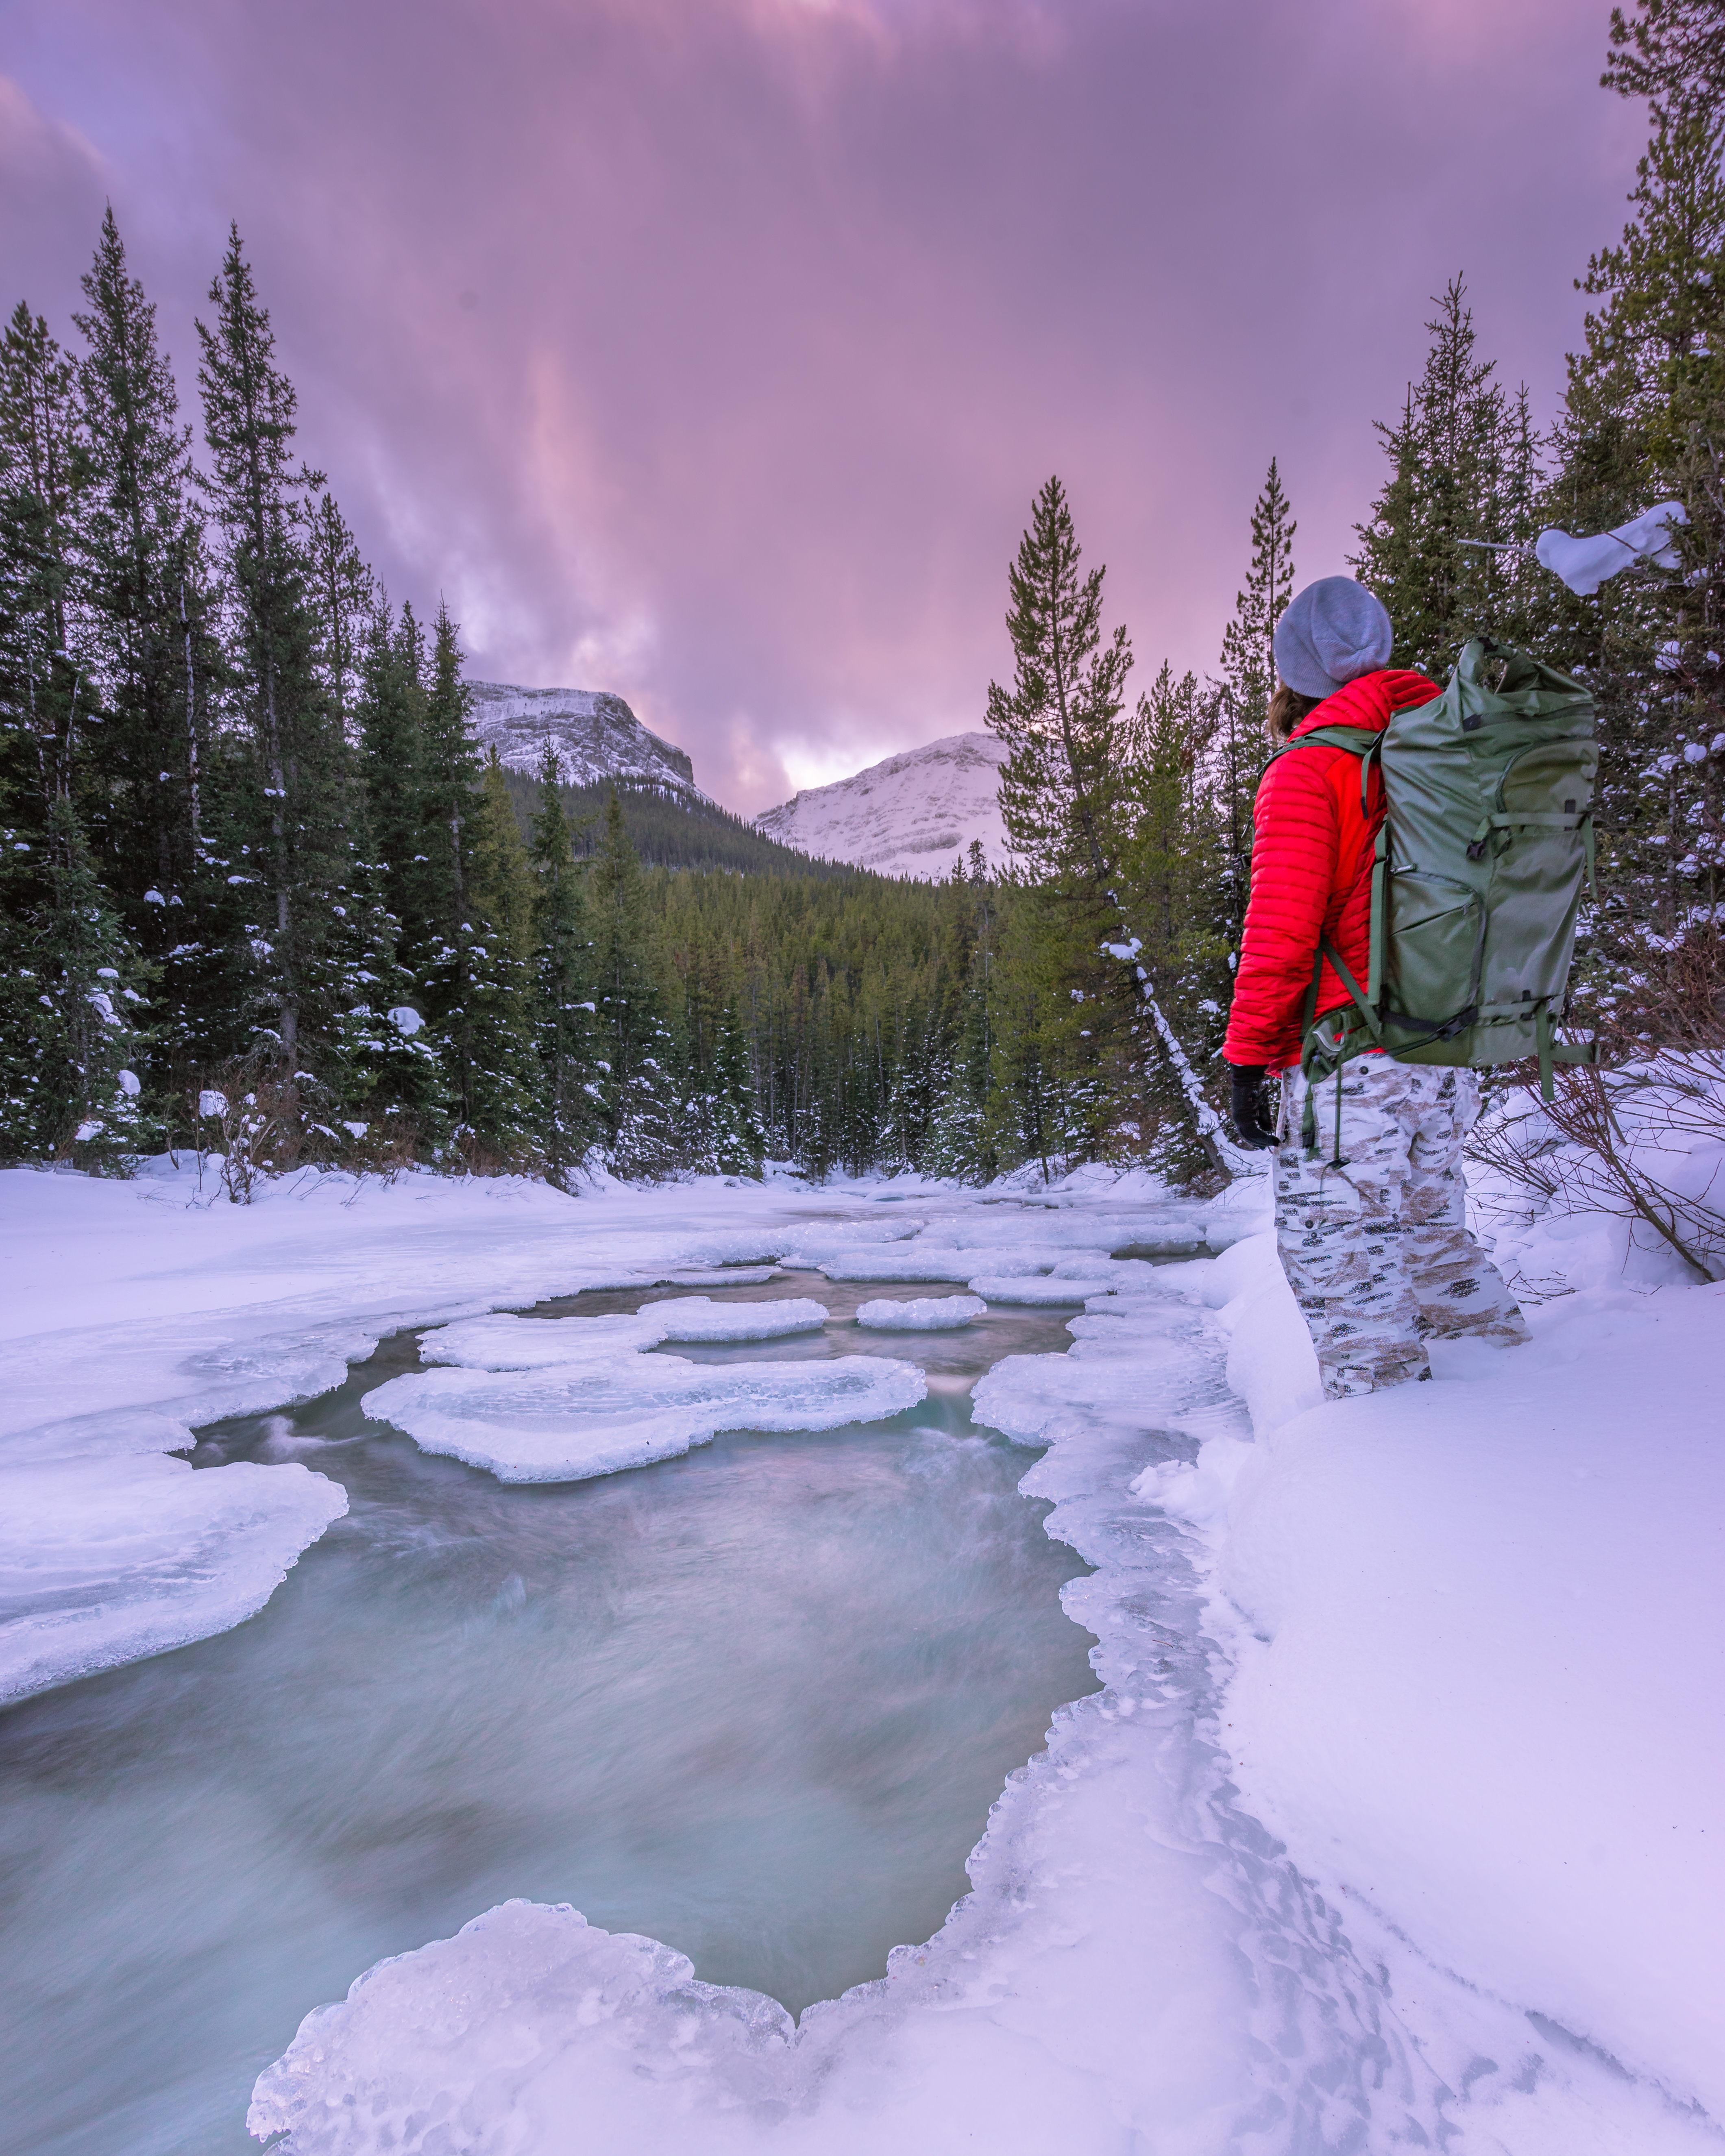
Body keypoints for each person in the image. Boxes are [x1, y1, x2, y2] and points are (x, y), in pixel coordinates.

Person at [1223, 575, 1529, 1398]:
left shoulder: (1312, 766)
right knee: (1430, 1231)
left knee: (1337, 1251)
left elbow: (1283, 928)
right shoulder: (1448, 752)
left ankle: (1386, 1460)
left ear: (1295, 673)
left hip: (1353, 1052)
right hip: (1444, 1041)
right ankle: (1517, 1387)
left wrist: (1249, 1057)